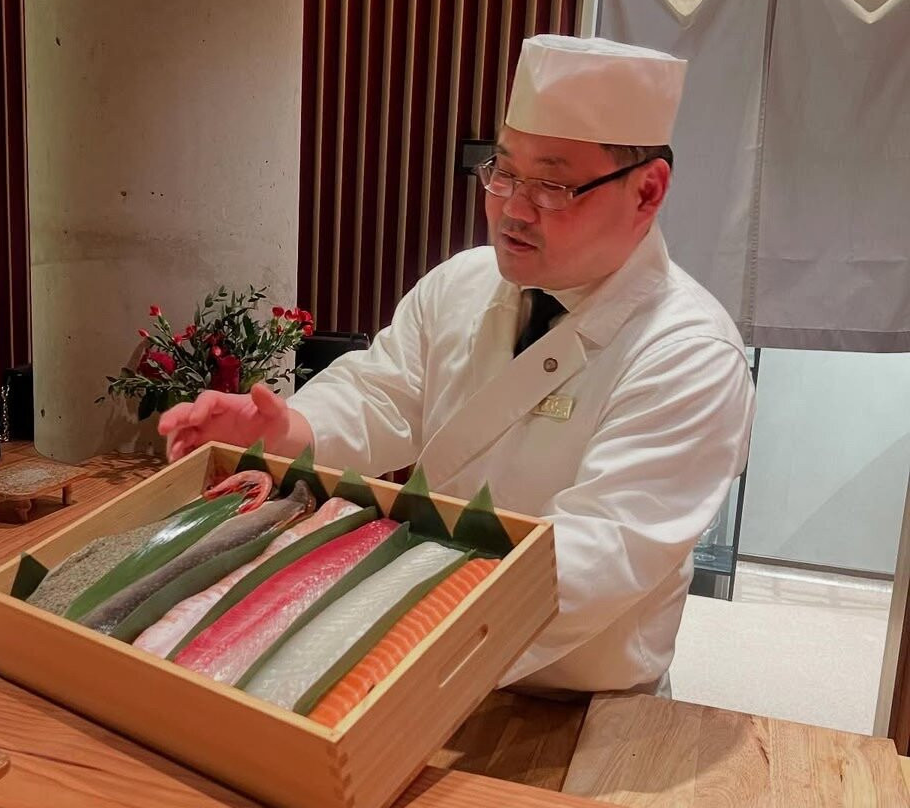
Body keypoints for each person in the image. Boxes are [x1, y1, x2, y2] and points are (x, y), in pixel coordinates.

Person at [159, 35, 756, 698]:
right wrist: (286, 432)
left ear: (647, 191)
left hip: (570, 696)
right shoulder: (463, 282)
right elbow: (382, 394)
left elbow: (599, 555)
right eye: (503, 172)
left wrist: (386, 617)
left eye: (552, 185)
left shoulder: (690, 352)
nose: (513, 209)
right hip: (410, 647)